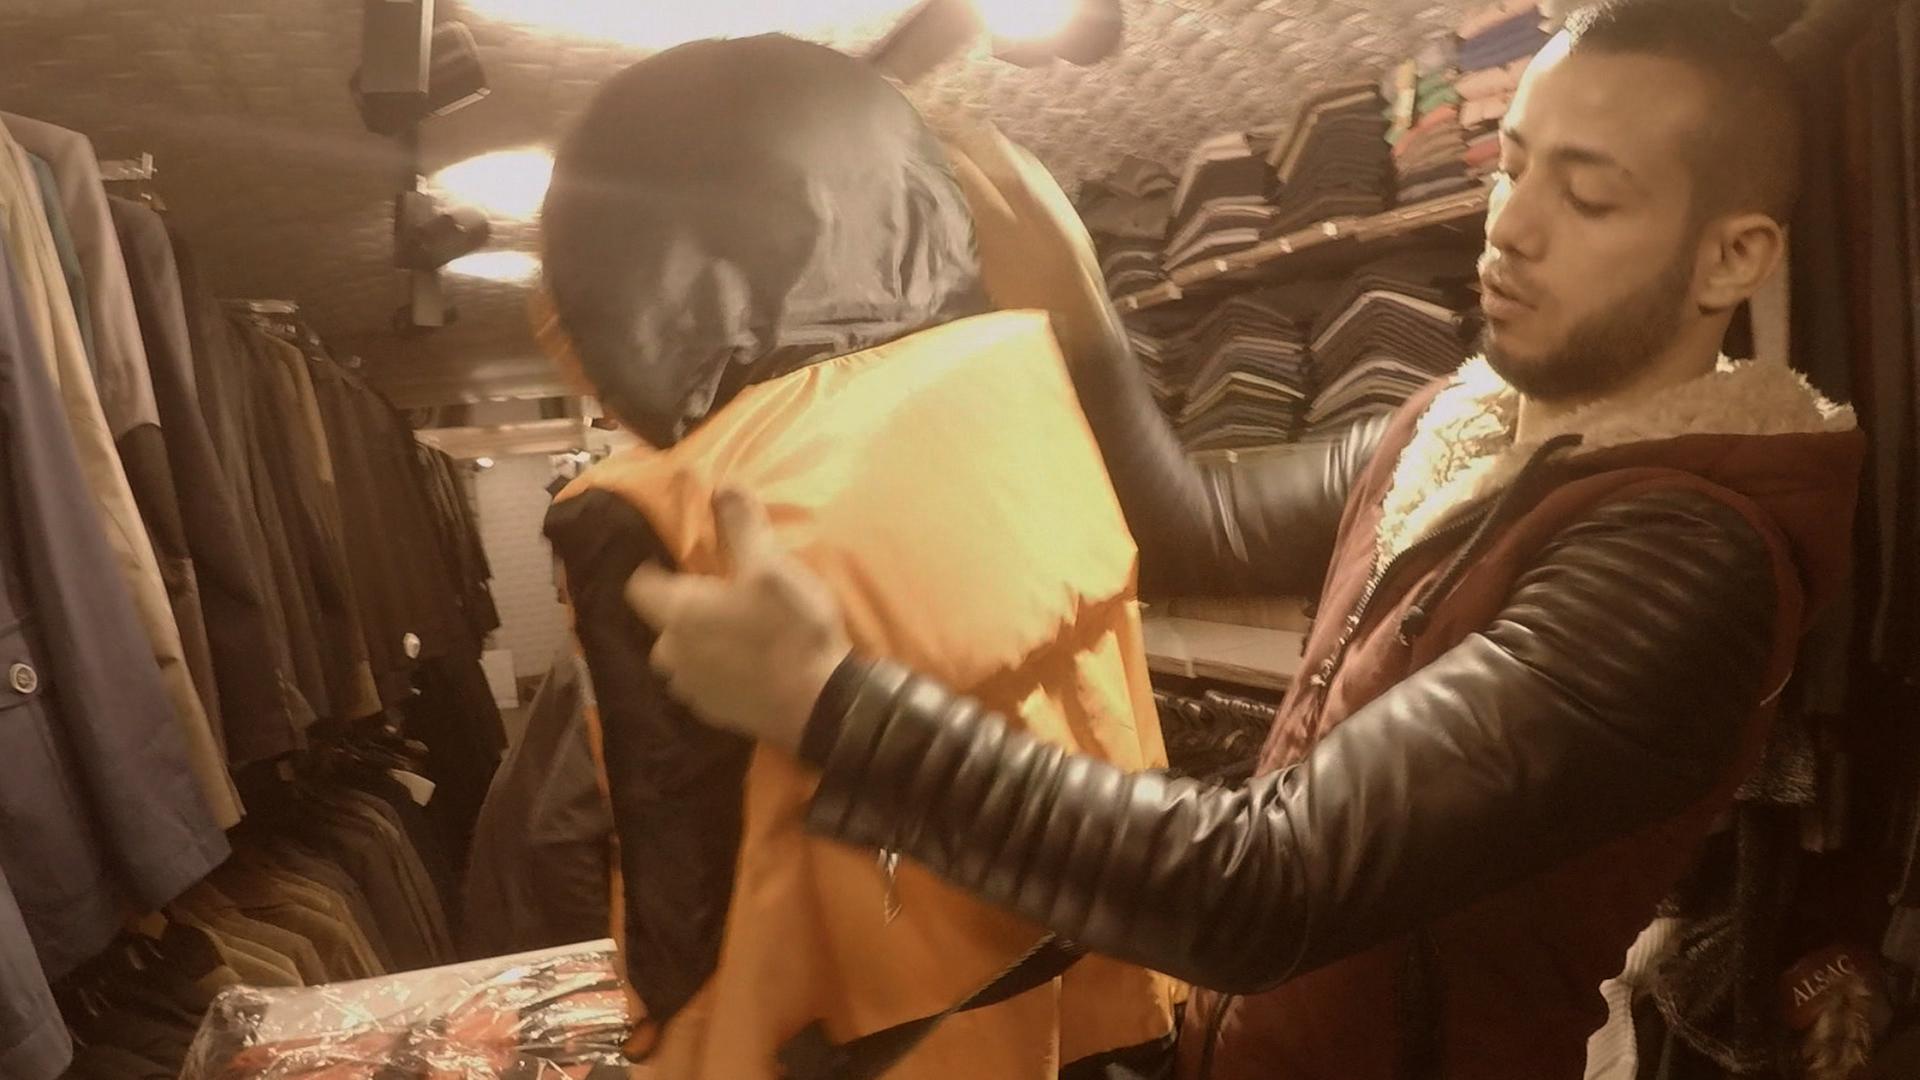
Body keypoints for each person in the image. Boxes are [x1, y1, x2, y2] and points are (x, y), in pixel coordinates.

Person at [622, 2, 1868, 1077]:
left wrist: (834, 708)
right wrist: (1076, 311)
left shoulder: (1685, 558)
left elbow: (1267, 885)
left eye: (1587, 194)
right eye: (1514, 164)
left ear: (1732, 258)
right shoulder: (1459, 427)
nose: (1512, 225)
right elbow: (1192, 528)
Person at [534, 34, 1179, 1080]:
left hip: (852, 1046)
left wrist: (659, 1044)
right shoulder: (1031, 390)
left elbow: (677, 894)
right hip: (1098, 991)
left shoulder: (650, 512)